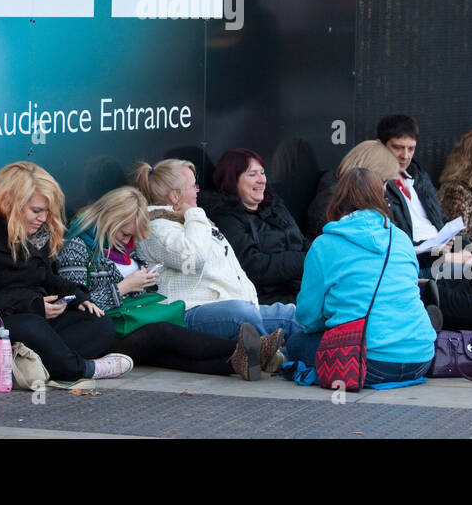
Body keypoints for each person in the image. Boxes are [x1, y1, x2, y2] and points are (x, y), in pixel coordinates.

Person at [0, 162, 132, 387]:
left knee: (99, 323)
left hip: (32, 316)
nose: (43, 218)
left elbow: (45, 277)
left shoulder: (36, 235)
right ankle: (81, 368)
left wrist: (75, 295)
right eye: (36, 211)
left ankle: (35, 361)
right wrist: (32, 305)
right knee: (31, 327)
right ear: (10, 204)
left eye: (47, 211)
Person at [57, 186, 281, 380]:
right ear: (109, 220)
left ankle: (238, 361)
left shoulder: (124, 247)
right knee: (164, 333)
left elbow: (139, 292)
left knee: (170, 356)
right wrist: (124, 287)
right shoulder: (77, 246)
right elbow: (73, 305)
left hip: (133, 322)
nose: (127, 242)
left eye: (131, 237)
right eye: (124, 234)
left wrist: (148, 279)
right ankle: (252, 349)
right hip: (106, 333)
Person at [128, 159, 302, 354]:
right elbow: (193, 258)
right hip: (188, 312)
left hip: (231, 307)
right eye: (193, 185)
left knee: (294, 315)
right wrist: (194, 214)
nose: (197, 191)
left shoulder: (192, 220)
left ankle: (298, 358)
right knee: (241, 315)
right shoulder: (156, 228)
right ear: (175, 196)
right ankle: (268, 356)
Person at [285, 168, 437, 386]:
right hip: (421, 359)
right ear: (381, 197)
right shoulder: (402, 239)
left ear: (337, 199)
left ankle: (275, 356)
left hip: (366, 363)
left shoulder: (323, 245)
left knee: (296, 344)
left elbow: (308, 318)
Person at [203, 148, 308, 305]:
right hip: (266, 300)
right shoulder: (227, 218)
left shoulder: (275, 206)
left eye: (263, 172)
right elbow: (253, 267)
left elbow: (302, 241)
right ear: (233, 180)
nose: (262, 180)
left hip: (303, 289)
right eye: (252, 174)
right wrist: (304, 260)